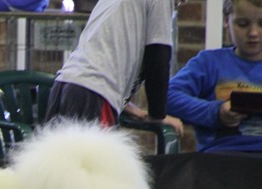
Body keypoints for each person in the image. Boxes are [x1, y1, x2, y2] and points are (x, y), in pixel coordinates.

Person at [45, 0, 184, 135]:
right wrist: (158, 114)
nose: (183, 2)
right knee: (94, 159)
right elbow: (158, 56)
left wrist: (127, 106)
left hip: (64, 85)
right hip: (94, 93)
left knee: (61, 157)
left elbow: (107, 46)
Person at [167, 0, 262, 153]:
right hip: (220, 159)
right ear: (226, 20)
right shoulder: (209, 63)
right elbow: (167, 96)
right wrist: (215, 112)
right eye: (242, 24)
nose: (253, 33)